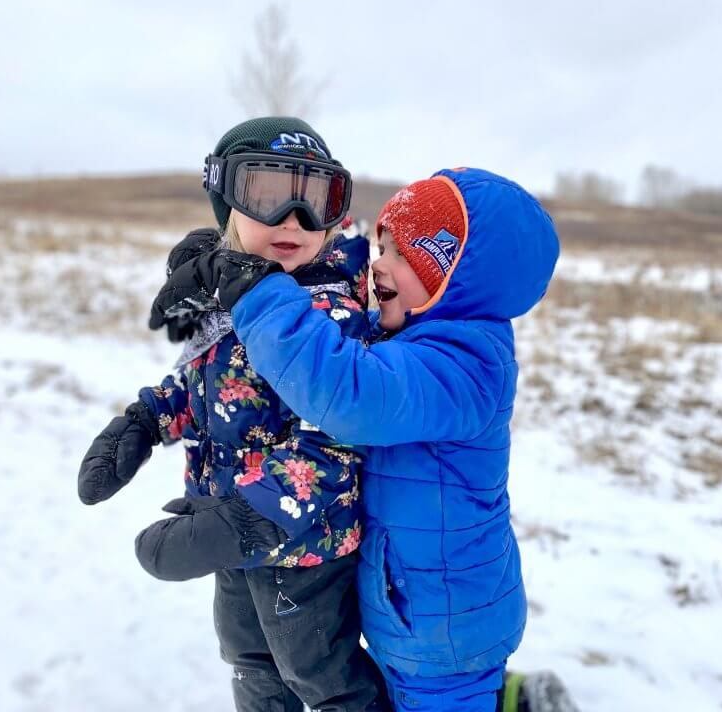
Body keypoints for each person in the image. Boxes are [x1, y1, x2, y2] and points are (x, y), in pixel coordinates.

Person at [148, 166, 569, 712]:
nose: (378, 264)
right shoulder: (419, 332)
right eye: (379, 245)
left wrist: (255, 291)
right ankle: (507, 697)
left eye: (398, 254)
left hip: (445, 634)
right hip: (413, 609)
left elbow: (345, 390)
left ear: (449, 275)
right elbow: (344, 313)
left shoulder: (464, 365)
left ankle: (512, 700)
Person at [78, 117, 390, 711]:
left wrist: (244, 521)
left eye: (316, 199)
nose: (294, 220)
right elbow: (206, 384)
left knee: (324, 683)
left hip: (304, 550)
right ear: (225, 204)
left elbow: (332, 445)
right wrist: (146, 421)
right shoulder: (234, 298)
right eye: (267, 196)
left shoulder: (331, 314)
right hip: (229, 533)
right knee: (251, 669)